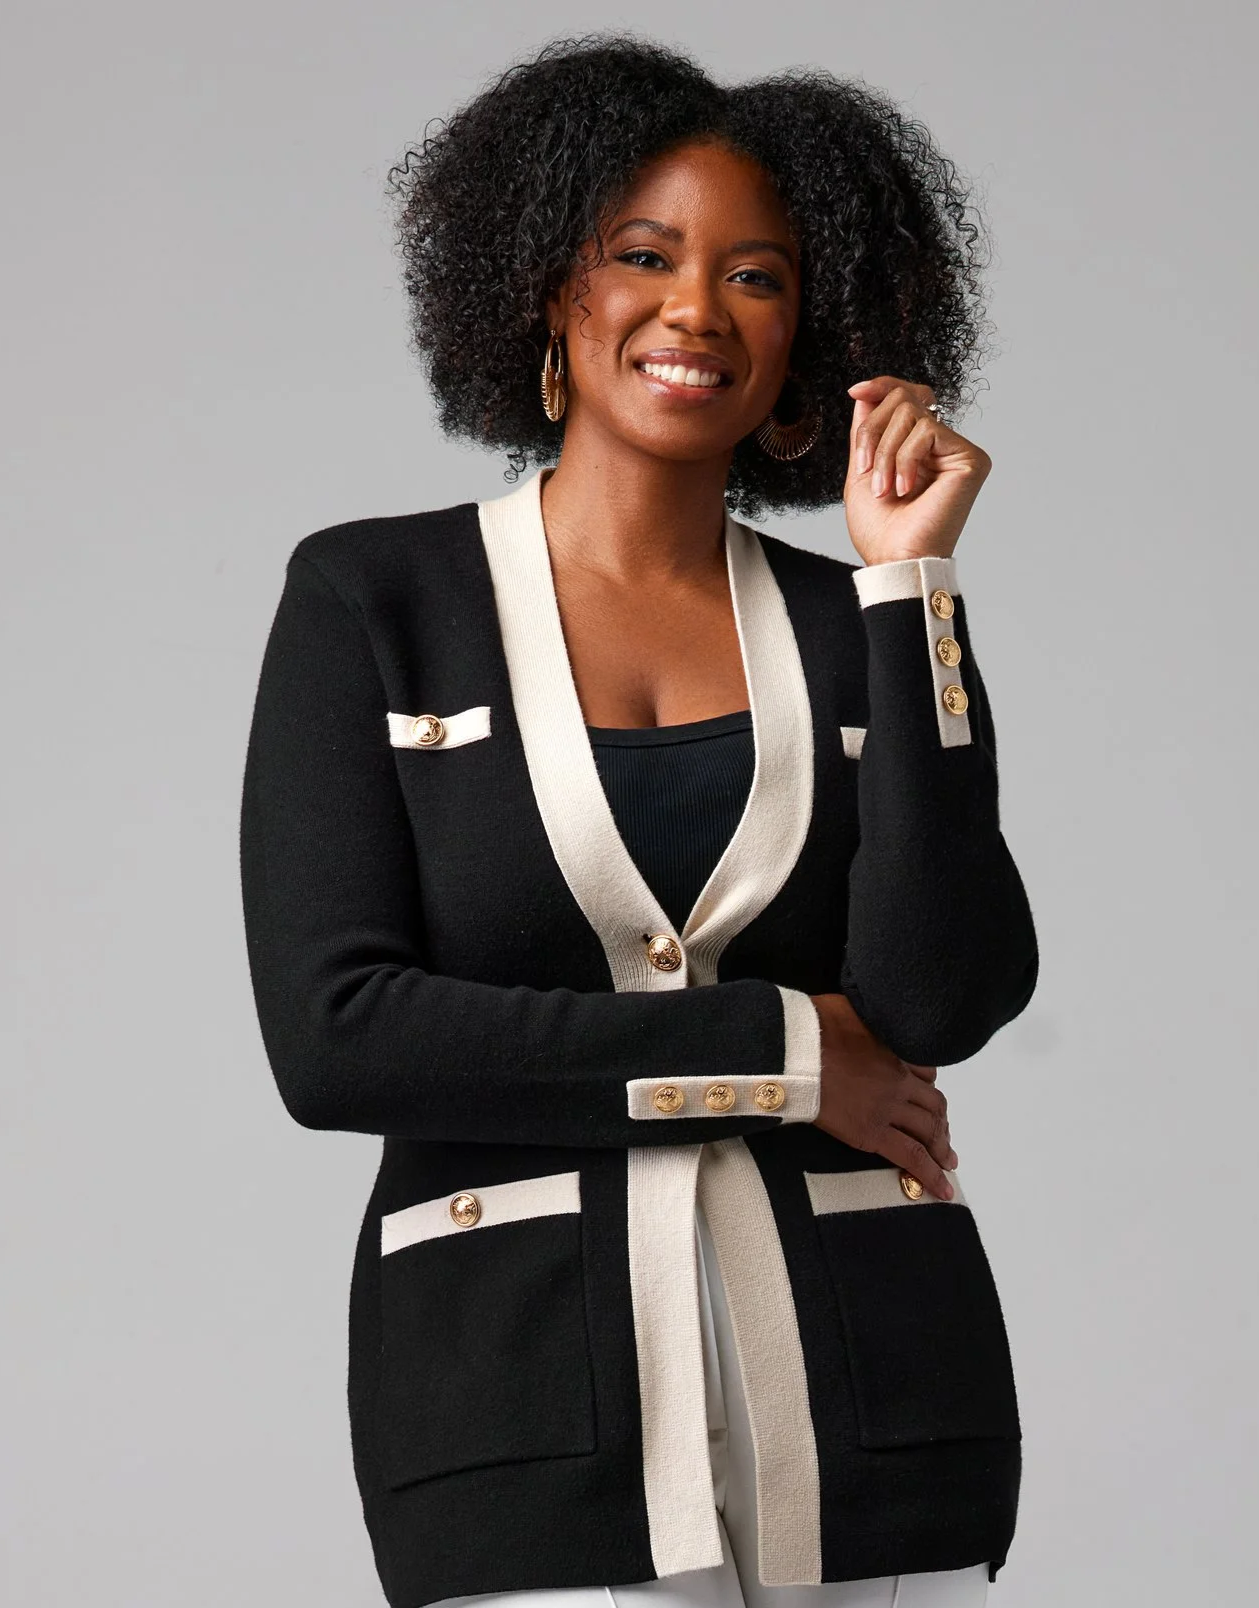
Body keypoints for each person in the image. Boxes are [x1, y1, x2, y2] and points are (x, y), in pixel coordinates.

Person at [238, 32, 1039, 1608]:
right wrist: (789, 1054)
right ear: (550, 285)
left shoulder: (859, 625)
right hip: (527, 1423)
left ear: (808, 329)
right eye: (643, 256)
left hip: (873, 1408)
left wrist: (911, 587)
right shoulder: (373, 600)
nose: (695, 310)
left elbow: (945, 996)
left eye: (756, 275)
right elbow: (338, 1039)